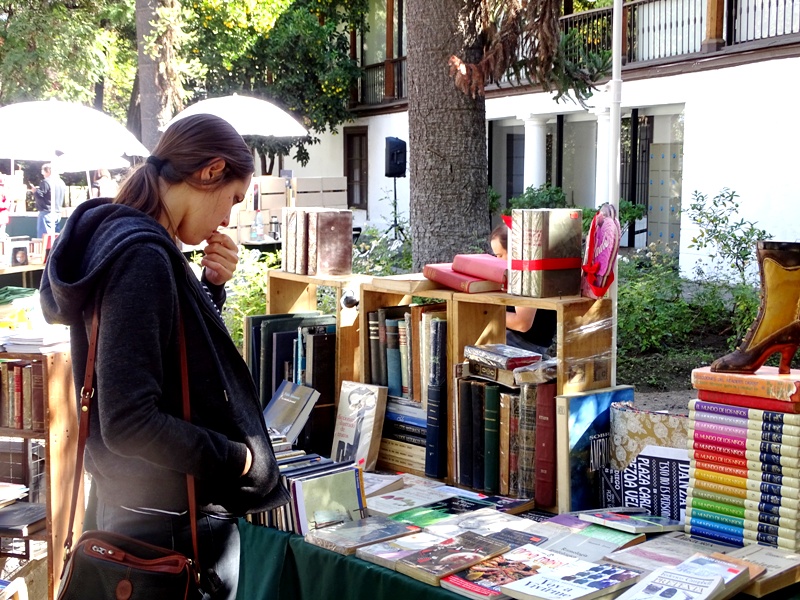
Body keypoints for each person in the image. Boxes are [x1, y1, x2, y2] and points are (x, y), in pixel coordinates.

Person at [39, 114, 289, 600]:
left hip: (133, 507)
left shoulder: (118, 240)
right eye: (234, 199)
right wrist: (238, 458)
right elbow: (130, 419)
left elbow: (165, 361)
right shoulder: (143, 256)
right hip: (169, 523)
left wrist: (210, 290)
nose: (227, 219)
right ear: (211, 171)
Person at [490, 224, 557, 358]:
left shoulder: (527, 274)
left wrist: (486, 314)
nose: (497, 260)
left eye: (500, 255)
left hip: (526, 343)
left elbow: (522, 323)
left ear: (514, 251)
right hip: (515, 337)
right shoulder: (519, 272)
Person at [31, 163, 66, 238]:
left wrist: (35, 191)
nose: (42, 174)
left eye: (43, 171)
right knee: (55, 237)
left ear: (48, 171)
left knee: (45, 238)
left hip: (47, 212)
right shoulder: (61, 182)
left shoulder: (46, 182)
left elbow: (40, 195)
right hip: (57, 212)